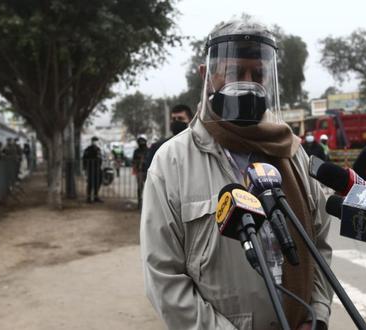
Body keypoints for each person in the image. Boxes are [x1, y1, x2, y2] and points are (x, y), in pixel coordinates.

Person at [140, 17, 333, 330]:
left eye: (257, 74)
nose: (247, 83)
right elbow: (163, 276)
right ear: (207, 76)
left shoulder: (293, 153)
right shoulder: (172, 162)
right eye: (233, 72)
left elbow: (320, 245)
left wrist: (318, 315)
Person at [144, 104, 193, 171]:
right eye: (173, 119)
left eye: (180, 118)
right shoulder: (158, 147)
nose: (176, 121)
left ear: (191, 121)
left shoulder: (198, 146)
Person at [82, 136, 103, 203]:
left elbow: (100, 158)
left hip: (97, 168)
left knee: (98, 182)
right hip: (90, 168)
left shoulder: (98, 149)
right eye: (94, 140)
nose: (95, 142)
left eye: (96, 141)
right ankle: (88, 198)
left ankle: (96, 196)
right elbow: (84, 159)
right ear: (91, 141)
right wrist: (85, 168)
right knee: (90, 183)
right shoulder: (88, 149)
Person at [132, 135, 149, 208]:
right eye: (140, 141)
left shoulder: (148, 150)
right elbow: (133, 160)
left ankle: (148, 202)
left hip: (148, 171)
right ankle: (139, 201)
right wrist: (138, 162)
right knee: (140, 187)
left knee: (149, 187)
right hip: (140, 171)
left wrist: (145, 161)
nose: (141, 143)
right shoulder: (136, 151)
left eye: (143, 141)